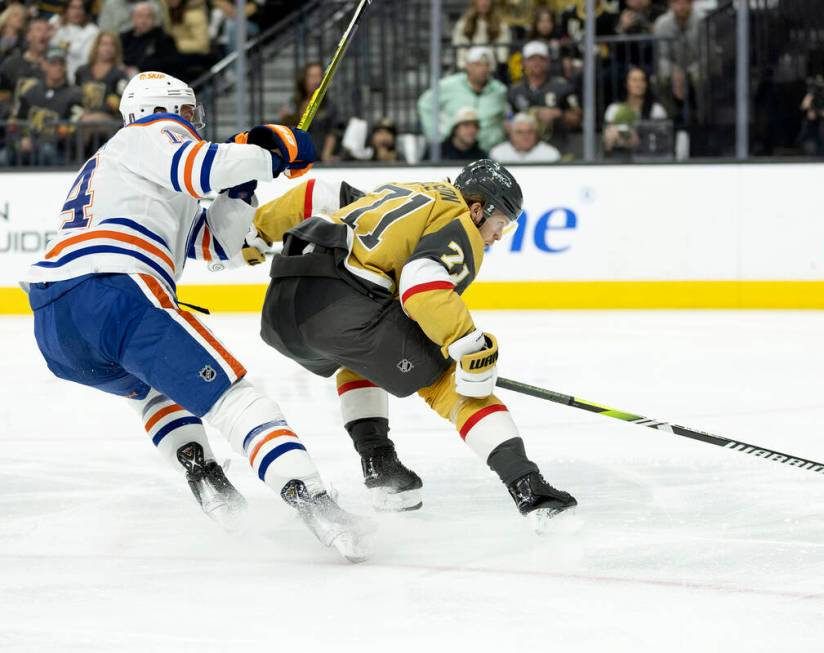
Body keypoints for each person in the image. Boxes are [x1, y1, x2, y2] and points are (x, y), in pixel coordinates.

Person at [20, 71, 374, 562]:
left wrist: (241, 189)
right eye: (191, 113)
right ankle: (313, 503)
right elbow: (201, 166)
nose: (194, 123)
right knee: (235, 400)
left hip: (56, 322)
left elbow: (213, 245)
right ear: (170, 109)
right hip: (113, 290)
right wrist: (271, 150)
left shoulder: (122, 168)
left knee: (153, 390)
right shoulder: (151, 132)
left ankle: (203, 473)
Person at [254, 159, 578, 526]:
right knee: (448, 381)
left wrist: (258, 232)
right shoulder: (460, 222)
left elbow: (320, 194)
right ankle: (530, 490)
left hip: (285, 308)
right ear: (477, 209)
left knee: (365, 355)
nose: (499, 235)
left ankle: (382, 468)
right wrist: (469, 347)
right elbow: (423, 284)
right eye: (500, 222)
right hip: (339, 309)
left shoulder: (410, 191)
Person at [417, 46, 508, 155]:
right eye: (478, 64)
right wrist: (435, 135)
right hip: (453, 150)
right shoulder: (449, 85)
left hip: (488, 152)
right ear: (467, 66)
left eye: (487, 65)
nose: (483, 69)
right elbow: (425, 104)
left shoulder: (499, 90)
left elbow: (504, 117)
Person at [3, 46, 81, 166]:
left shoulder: (74, 95)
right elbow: (16, 121)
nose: (58, 67)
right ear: (44, 65)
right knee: (3, 156)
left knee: (46, 151)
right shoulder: (31, 91)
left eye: (61, 64)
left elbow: (71, 129)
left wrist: (36, 143)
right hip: (25, 146)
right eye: (53, 63)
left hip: (56, 150)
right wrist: (20, 141)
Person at [507, 40, 581, 152]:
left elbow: (577, 119)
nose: (537, 63)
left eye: (541, 59)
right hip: (522, 151)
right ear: (524, 62)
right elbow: (507, 121)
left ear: (548, 62)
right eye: (532, 59)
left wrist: (558, 114)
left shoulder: (562, 86)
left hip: (557, 146)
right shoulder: (515, 90)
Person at [279, 61, 345, 162]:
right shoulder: (294, 104)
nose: (315, 80)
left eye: (318, 76)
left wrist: (326, 154)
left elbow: (333, 132)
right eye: (311, 76)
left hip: (320, 158)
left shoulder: (329, 106)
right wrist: (285, 119)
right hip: (298, 157)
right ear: (304, 80)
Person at [451, 0, 510, 73]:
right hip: (469, 71)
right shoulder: (463, 24)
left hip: (492, 70)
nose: (484, 3)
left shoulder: (501, 25)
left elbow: (502, 55)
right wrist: (468, 68)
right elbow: (461, 54)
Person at [120, 1, 178, 76]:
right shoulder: (124, 37)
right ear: (133, 17)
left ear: (154, 19)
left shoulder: (164, 39)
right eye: (140, 16)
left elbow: (168, 65)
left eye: (148, 16)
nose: (144, 20)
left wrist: (138, 69)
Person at [50, 0, 98, 83]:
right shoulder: (55, 21)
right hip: (53, 76)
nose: (77, 12)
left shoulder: (92, 31)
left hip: (77, 78)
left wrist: (58, 41)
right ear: (66, 10)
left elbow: (78, 52)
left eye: (80, 8)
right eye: (73, 8)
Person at [488, 111, 560, 162]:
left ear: (536, 134)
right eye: (520, 132)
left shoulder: (550, 154)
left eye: (530, 132)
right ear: (511, 134)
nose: (525, 136)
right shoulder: (498, 154)